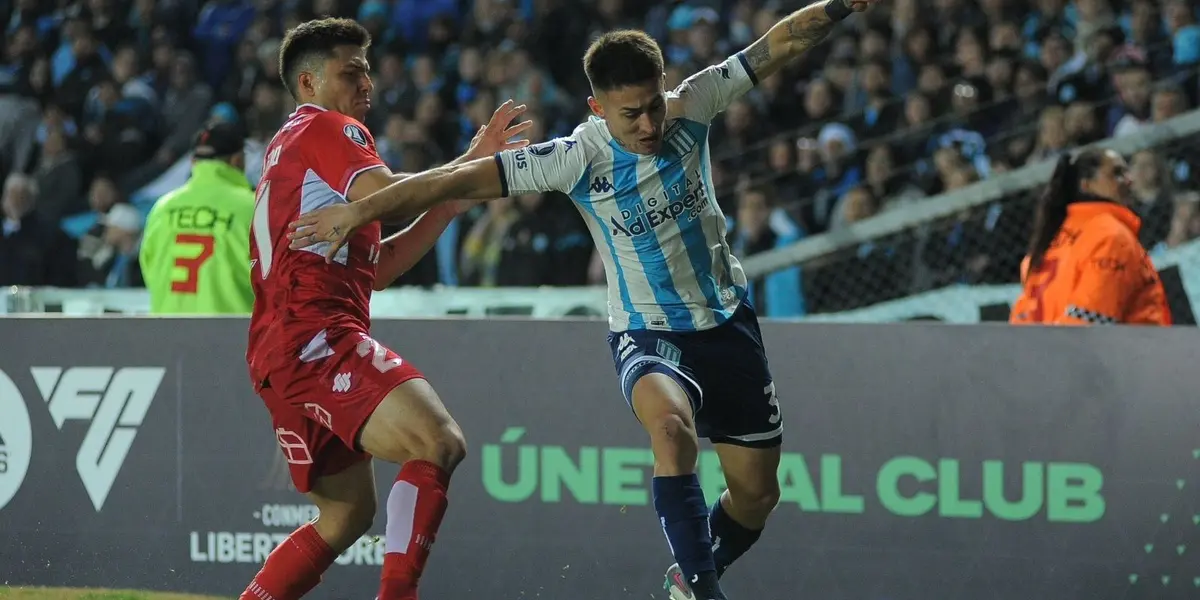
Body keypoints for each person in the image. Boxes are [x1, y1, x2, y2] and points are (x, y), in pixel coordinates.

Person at [285, 2, 876, 599]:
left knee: (756, 497)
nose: (648, 125)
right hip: (648, 334)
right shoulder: (576, 158)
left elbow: (775, 46)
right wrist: (362, 209)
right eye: (630, 115)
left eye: (653, 106)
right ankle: (702, 590)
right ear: (597, 108)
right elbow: (455, 182)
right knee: (671, 429)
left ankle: (688, 579)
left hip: (728, 324)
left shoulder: (694, 104)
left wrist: (837, 7)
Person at [240, 18, 531, 600]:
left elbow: (378, 267)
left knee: (346, 515)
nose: (366, 83)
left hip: (282, 350)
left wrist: (450, 199)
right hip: (315, 337)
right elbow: (387, 198)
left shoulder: (292, 147)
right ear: (308, 82)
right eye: (351, 72)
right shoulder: (328, 127)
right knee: (438, 441)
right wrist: (474, 167)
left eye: (368, 71)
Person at [1010, 148, 1171, 325]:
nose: (1129, 179)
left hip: (1045, 342)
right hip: (1125, 343)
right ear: (1086, 185)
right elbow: (1091, 322)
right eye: (1117, 173)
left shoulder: (1049, 240)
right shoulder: (1110, 236)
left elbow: (1022, 321)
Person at [139, 121, 256, 314]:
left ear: (193, 162)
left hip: (167, 326)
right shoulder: (253, 207)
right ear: (237, 160)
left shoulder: (163, 207)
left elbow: (149, 268)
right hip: (233, 327)